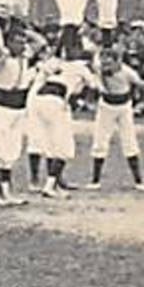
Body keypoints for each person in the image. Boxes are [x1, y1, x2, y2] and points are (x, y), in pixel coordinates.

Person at [87, 44, 144, 191]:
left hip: (124, 108)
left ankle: (138, 181)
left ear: (118, 62)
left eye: (109, 63)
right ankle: (95, 181)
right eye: (104, 63)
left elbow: (141, 84)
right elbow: (93, 54)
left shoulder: (127, 72)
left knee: (129, 142)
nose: (106, 67)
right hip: (106, 106)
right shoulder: (98, 67)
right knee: (100, 142)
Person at [0, 22, 39, 206]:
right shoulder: (0, 57)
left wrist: (22, 26)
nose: (21, 46)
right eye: (17, 42)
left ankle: (7, 191)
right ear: (8, 43)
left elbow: (40, 43)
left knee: (11, 151)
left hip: (17, 108)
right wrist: (0, 29)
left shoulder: (24, 56)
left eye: (23, 42)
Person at [25, 53, 99, 198]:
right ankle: (50, 186)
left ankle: (50, 182)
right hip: (55, 100)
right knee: (64, 147)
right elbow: (94, 86)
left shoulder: (59, 63)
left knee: (47, 144)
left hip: (38, 99)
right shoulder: (83, 68)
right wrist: (84, 101)